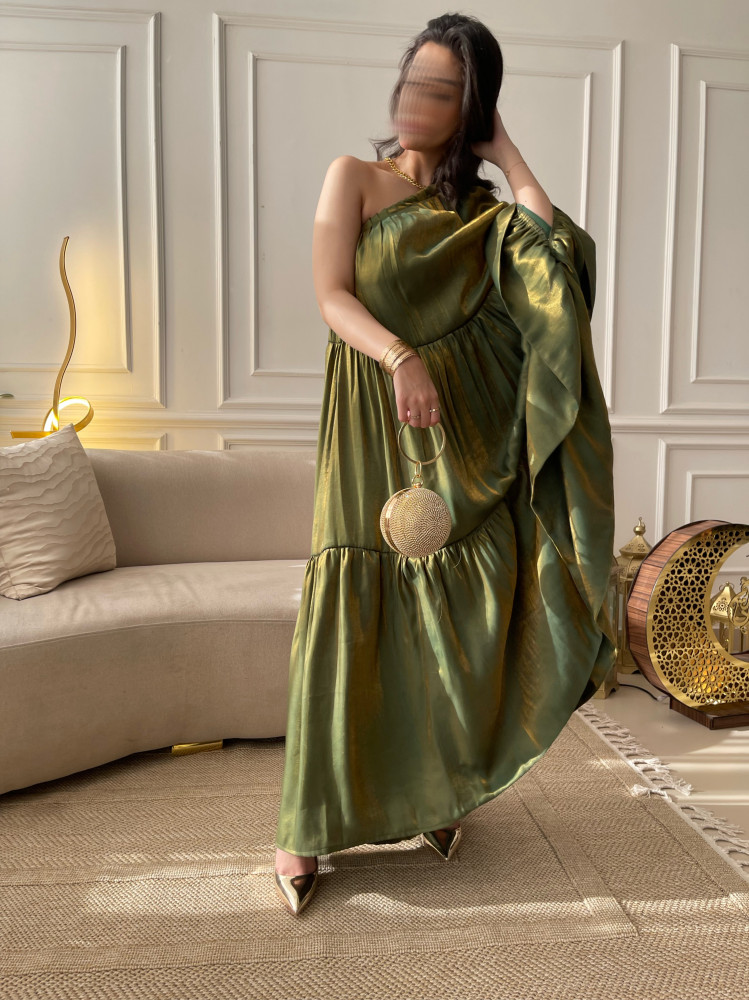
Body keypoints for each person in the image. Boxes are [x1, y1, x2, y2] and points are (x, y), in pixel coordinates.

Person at [273, 12, 616, 916]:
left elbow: (553, 262)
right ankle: (301, 826)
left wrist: (507, 153)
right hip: (372, 409)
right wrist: (400, 357)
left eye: (441, 90)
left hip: (461, 433)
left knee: (447, 609)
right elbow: (329, 294)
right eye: (411, 82)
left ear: (471, 107)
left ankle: (433, 793)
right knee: (352, 594)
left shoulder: (478, 216)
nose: (415, 102)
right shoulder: (353, 177)